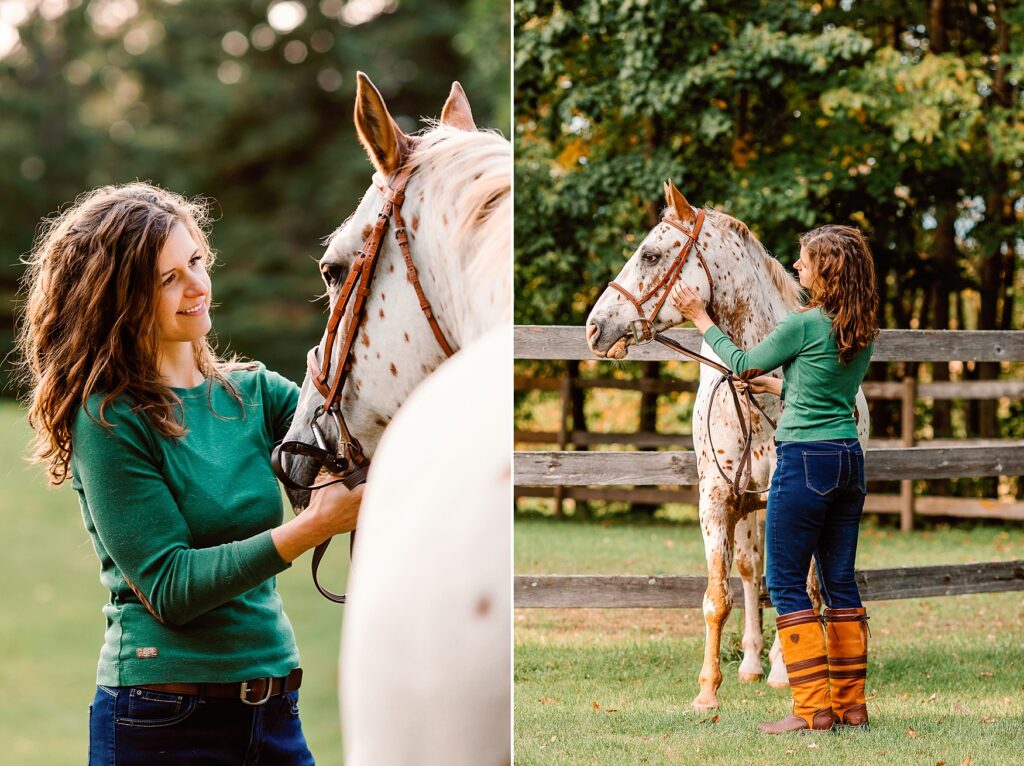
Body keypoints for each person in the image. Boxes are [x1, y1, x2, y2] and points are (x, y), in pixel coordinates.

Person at [17, 182, 362, 764]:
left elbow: (358, 443)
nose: (196, 285)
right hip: (161, 717)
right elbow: (171, 587)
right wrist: (314, 526)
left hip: (276, 709)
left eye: (195, 261)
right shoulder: (109, 418)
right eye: (166, 278)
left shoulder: (256, 393)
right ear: (118, 301)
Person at [671, 224, 878, 734]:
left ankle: (810, 710)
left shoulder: (801, 323)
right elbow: (822, 389)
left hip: (805, 461)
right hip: (848, 459)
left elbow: (739, 359)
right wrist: (778, 383)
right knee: (840, 583)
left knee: (783, 582)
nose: (797, 268)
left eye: (805, 261)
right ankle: (852, 705)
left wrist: (701, 317)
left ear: (826, 271)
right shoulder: (862, 327)